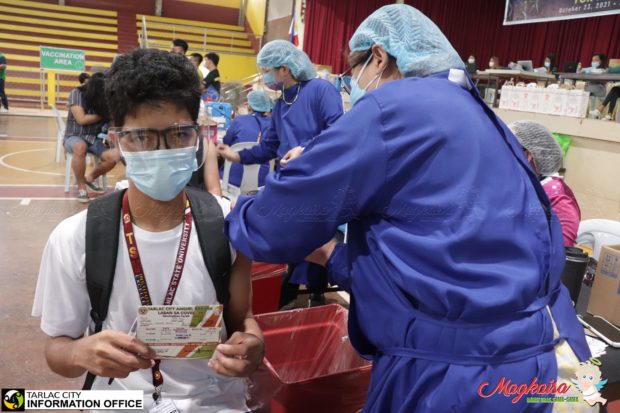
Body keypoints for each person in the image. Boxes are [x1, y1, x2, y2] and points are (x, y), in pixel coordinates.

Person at [224, 4, 593, 412]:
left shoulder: (392, 108)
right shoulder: (481, 118)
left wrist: (233, 214)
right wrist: (332, 256)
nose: (352, 85)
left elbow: (273, 225)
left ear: (379, 57)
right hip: (527, 365)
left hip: (449, 376)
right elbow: (433, 254)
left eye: (354, 70)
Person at [32, 48, 263, 412]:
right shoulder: (75, 237)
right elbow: (56, 350)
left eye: (177, 134)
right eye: (142, 137)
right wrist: (80, 351)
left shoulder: (228, 224)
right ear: (116, 140)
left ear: (197, 136)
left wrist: (253, 346)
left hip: (212, 401)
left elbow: (242, 321)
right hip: (119, 401)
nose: (161, 150)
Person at [218, 39, 343, 308]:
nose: (265, 77)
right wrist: (235, 155)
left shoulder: (321, 91)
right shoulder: (280, 104)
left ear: (284, 69)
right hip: (290, 182)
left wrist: (305, 148)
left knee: (314, 238)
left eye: (267, 70)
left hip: (319, 181)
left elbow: (339, 133)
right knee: (290, 236)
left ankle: (315, 294)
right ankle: (287, 288)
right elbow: (268, 147)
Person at [509, 120, 581, 246]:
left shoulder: (559, 198)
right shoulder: (523, 185)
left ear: (528, 156)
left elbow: (561, 249)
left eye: (508, 148)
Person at [64, 72, 116, 203]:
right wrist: (104, 115)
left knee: (113, 157)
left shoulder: (104, 98)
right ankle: (81, 187)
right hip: (74, 136)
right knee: (80, 147)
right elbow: (81, 119)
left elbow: (111, 121)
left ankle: (90, 177)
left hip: (94, 139)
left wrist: (112, 129)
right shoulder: (76, 93)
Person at [221, 90, 273, 187]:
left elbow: (226, 142)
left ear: (248, 105)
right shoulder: (273, 125)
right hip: (261, 184)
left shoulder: (239, 120)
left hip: (232, 180)